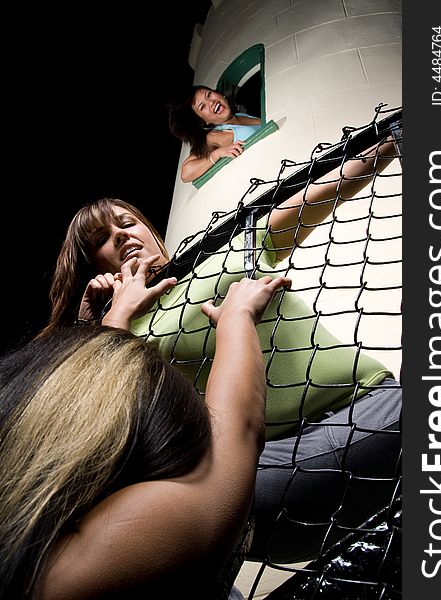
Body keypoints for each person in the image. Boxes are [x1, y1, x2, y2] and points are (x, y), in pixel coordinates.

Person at [40, 137, 402, 563]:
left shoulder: (225, 250)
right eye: (103, 237)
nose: (121, 235)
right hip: (269, 466)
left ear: (149, 228)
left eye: (127, 222)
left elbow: (313, 197)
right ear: (96, 264)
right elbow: (91, 423)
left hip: (367, 407)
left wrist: (391, 143)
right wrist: (93, 321)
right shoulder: (122, 330)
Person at [0, 272, 290, 599]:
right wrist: (238, 315)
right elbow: (238, 431)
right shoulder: (71, 577)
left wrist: (115, 316)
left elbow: (89, 407)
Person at [168, 85, 261, 182]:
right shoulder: (216, 136)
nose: (211, 102)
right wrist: (217, 154)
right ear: (204, 121)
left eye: (209, 95)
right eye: (203, 106)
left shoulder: (238, 115)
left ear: (219, 94)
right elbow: (185, 173)